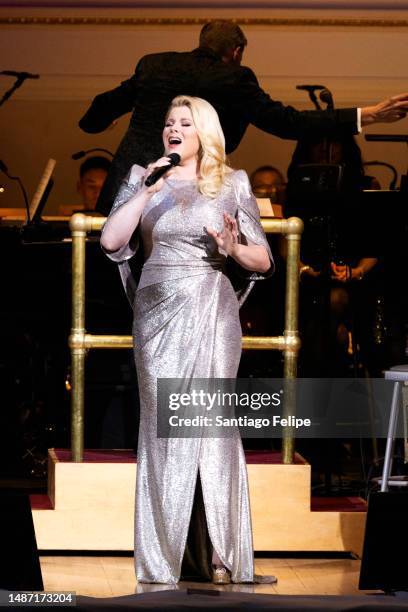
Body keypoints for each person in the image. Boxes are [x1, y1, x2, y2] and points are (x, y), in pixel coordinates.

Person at [100, 95, 273, 585]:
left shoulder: (231, 182)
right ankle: (160, 563)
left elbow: (263, 260)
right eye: (169, 123)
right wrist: (145, 189)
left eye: (185, 123)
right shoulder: (142, 177)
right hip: (156, 312)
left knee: (213, 424)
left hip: (211, 304)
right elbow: (113, 242)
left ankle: (228, 554)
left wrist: (232, 247)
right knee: (162, 428)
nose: (173, 129)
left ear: (204, 133)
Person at [79, 20, 408, 216]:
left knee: (117, 305)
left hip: (126, 194)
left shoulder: (153, 65)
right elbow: (288, 122)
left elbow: (99, 109)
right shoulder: (233, 78)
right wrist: (369, 115)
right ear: (236, 52)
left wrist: (99, 122)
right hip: (181, 205)